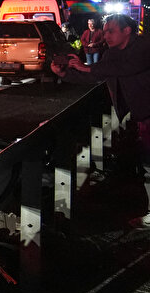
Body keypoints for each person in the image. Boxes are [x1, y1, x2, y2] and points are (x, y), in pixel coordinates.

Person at [52, 13, 150, 225]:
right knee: (145, 165)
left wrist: (86, 66)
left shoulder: (143, 46)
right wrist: (65, 74)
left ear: (127, 31)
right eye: (105, 32)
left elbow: (127, 68)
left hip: (146, 114)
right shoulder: (111, 54)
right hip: (138, 118)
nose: (106, 36)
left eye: (110, 31)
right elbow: (95, 75)